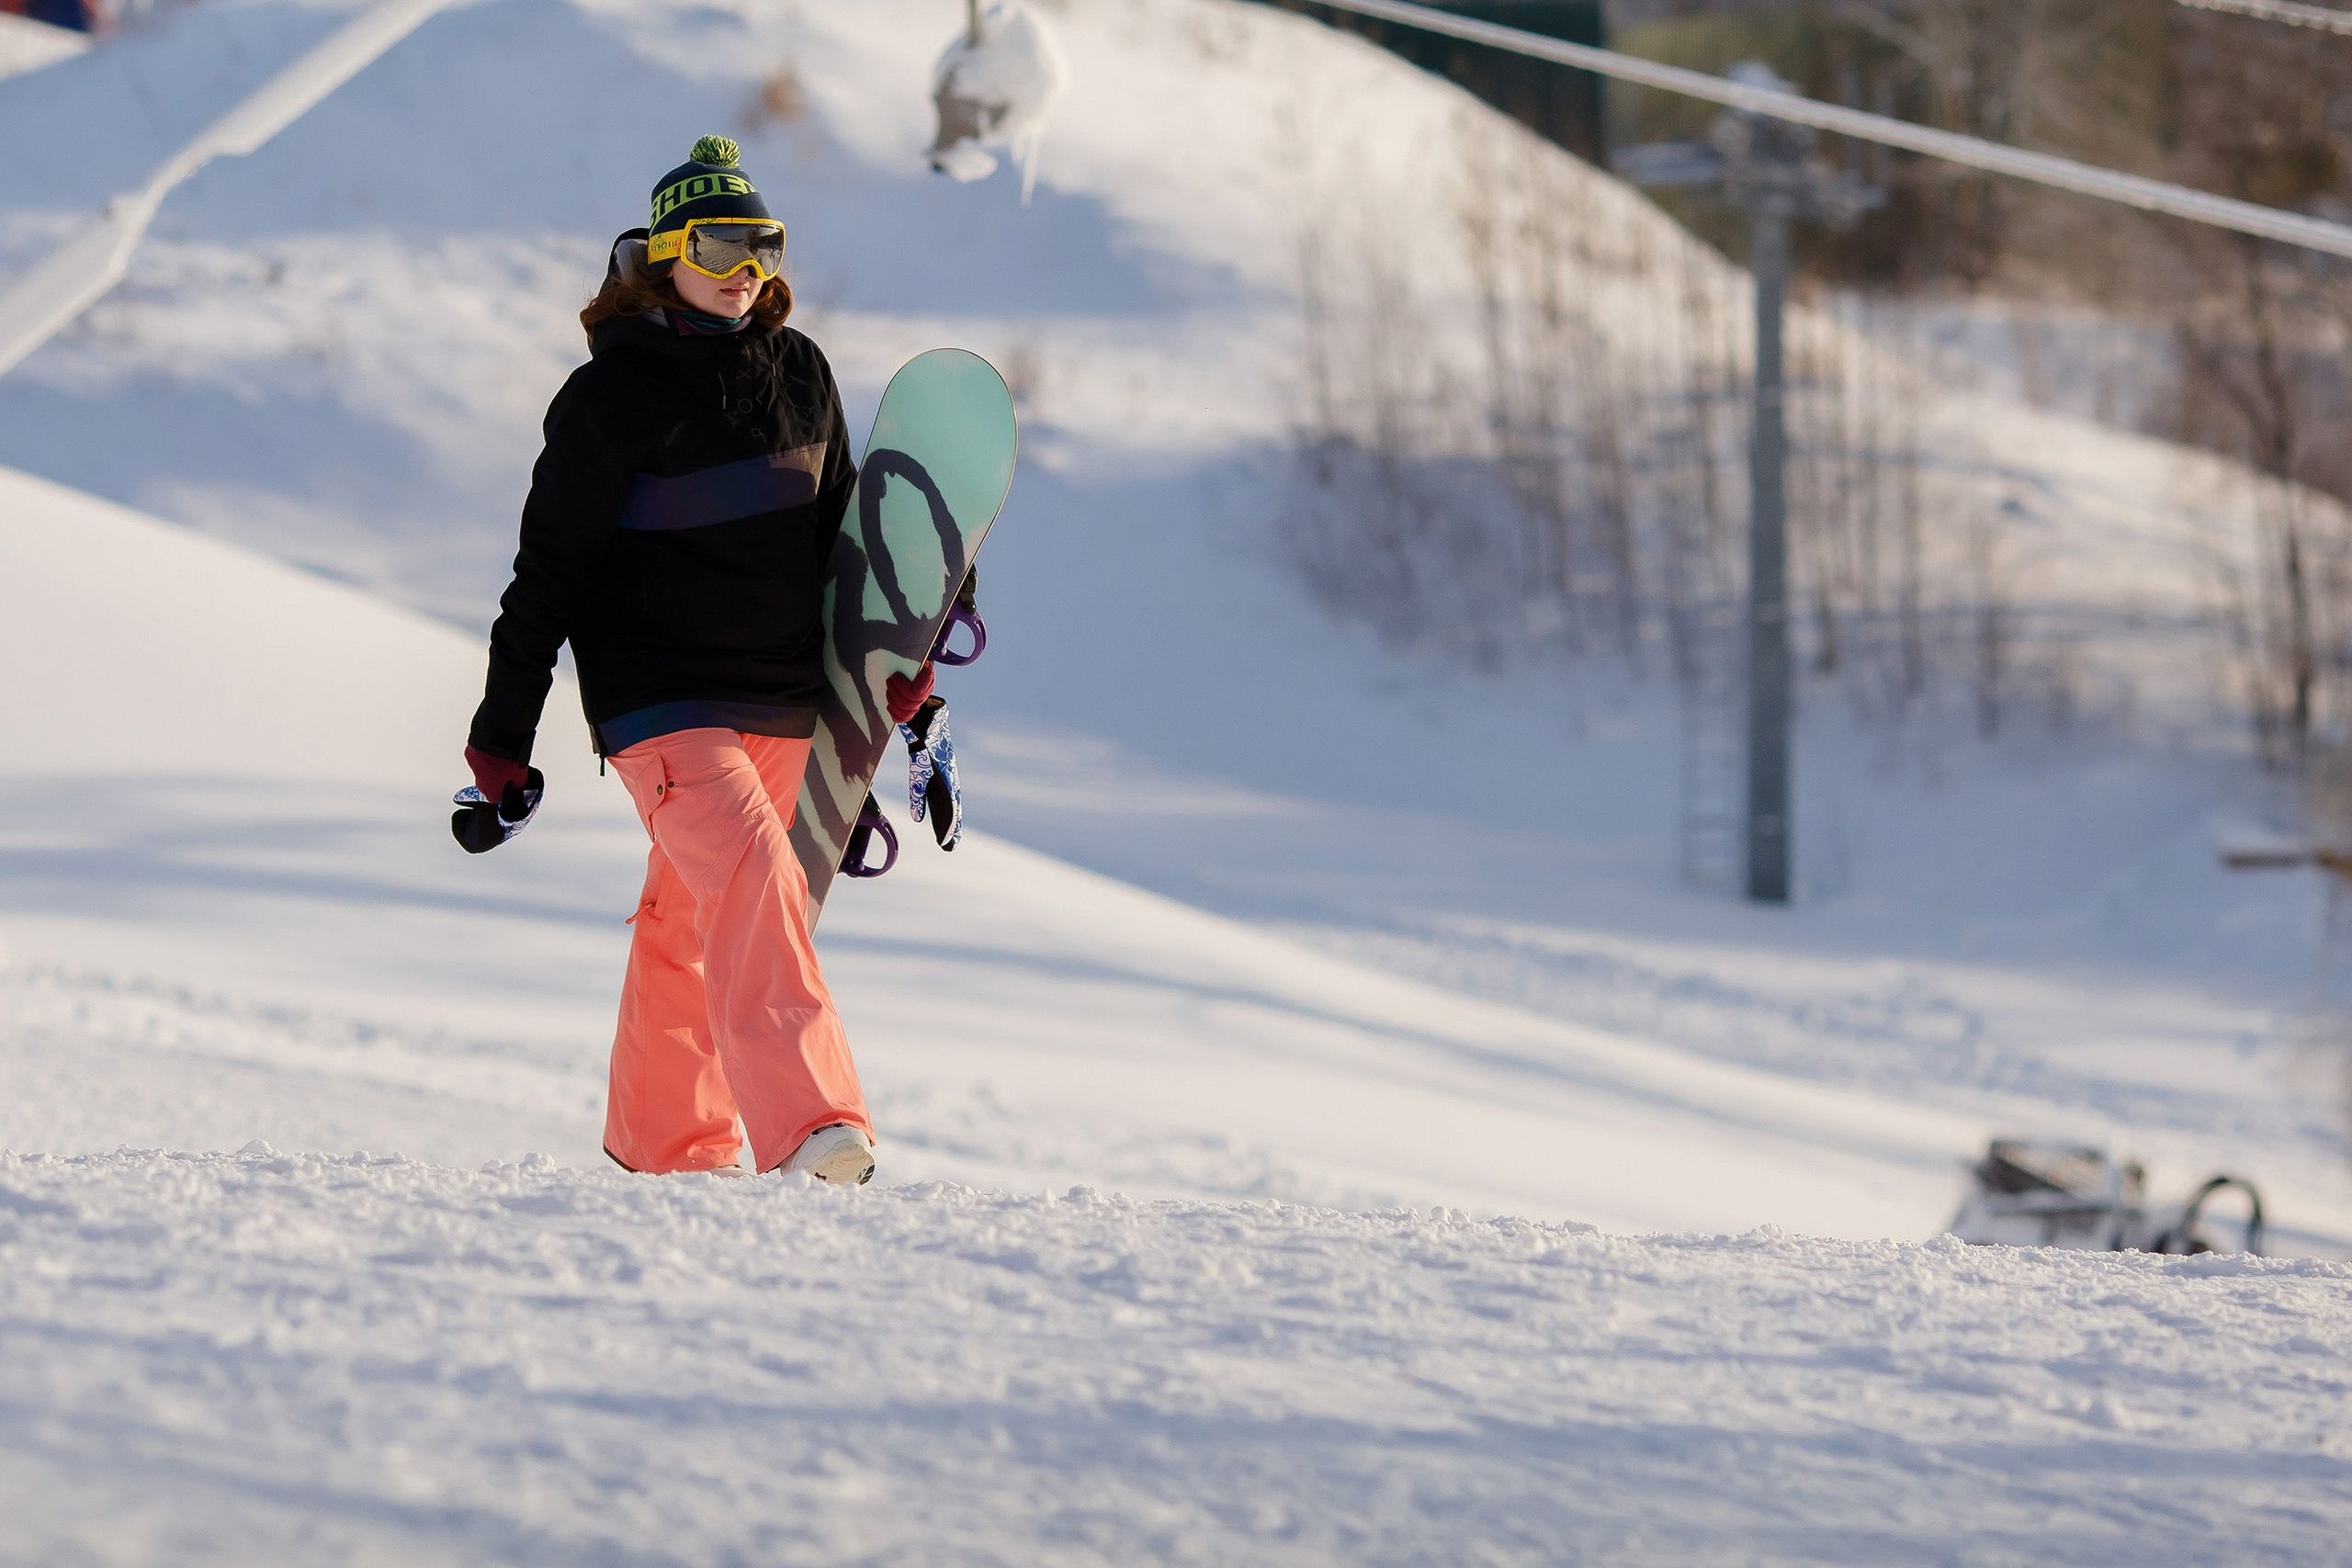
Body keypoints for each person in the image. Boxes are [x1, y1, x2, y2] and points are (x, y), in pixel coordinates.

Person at [462, 136, 933, 1184]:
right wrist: (501, 737)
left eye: (762, 245)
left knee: (691, 917)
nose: (745, 266)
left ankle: (666, 1152)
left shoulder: (798, 371)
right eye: (721, 243)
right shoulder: (607, 399)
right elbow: (547, 576)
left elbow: (842, 540)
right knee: (758, 881)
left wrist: (900, 676)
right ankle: (813, 1124)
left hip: (782, 700)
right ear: (669, 249)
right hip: (659, 700)